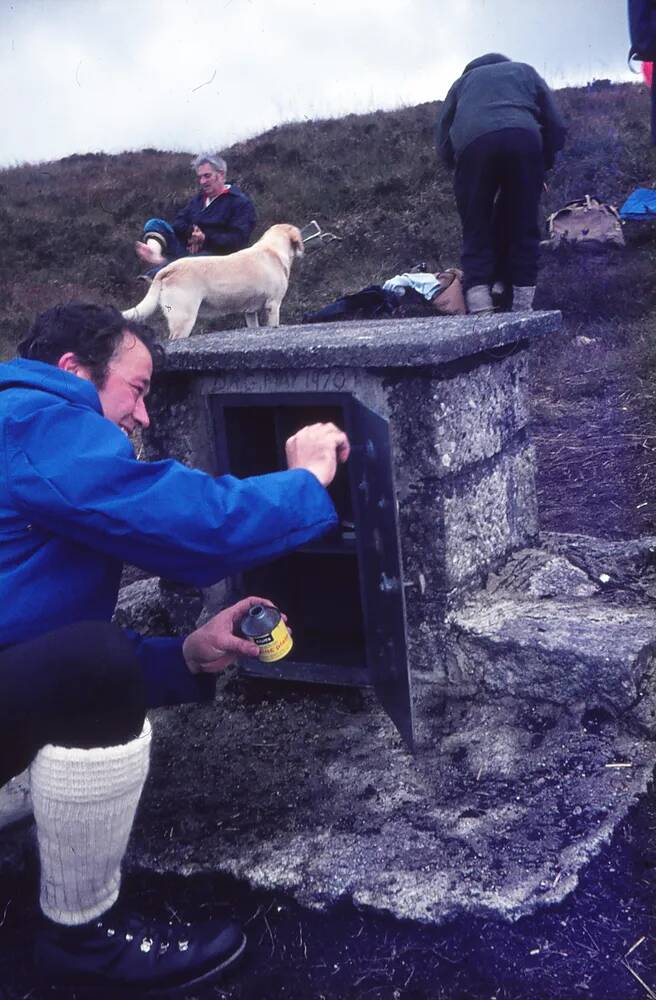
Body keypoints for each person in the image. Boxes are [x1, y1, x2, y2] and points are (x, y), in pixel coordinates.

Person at [0, 302, 349, 995]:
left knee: (91, 661)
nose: (144, 417)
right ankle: (81, 946)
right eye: (136, 389)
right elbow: (196, 526)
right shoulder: (33, 422)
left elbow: (29, 637)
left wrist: (185, 655)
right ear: (71, 371)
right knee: (95, 665)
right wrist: (306, 480)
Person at [436, 53, 567, 314]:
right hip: (523, 139)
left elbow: (442, 137)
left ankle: (481, 308)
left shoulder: (462, 83)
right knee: (524, 225)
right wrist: (543, 164)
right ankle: (521, 308)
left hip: (474, 146)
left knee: (476, 227)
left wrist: (459, 168)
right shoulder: (525, 71)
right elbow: (556, 125)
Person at [135, 153, 256, 270]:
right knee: (155, 224)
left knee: (187, 265)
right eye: (200, 177)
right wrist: (192, 234)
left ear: (221, 175)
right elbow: (178, 222)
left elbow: (238, 240)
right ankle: (154, 255)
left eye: (207, 176)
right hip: (188, 249)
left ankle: (160, 269)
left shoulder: (240, 203)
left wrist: (205, 238)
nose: (202, 181)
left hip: (216, 259)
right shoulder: (199, 199)